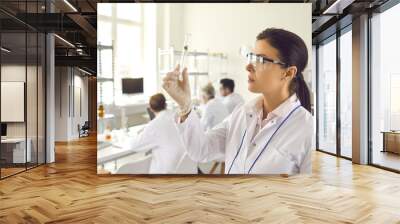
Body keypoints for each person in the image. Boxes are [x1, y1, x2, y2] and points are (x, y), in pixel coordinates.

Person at [162, 28, 313, 174]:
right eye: (251, 57)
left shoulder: (307, 129)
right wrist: (185, 105)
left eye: (260, 60)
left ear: (288, 73)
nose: (248, 66)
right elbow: (201, 150)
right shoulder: (242, 113)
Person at [124, 93, 196, 174]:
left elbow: (134, 146)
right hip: (186, 171)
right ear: (165, 104)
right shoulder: (179, 116)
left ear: (151, 108)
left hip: (165, 178)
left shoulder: (155, 124)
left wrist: (138, 134)